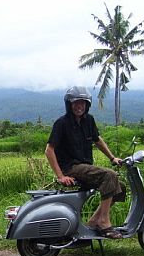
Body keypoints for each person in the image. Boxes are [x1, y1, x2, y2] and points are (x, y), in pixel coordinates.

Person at [44, 86, 125, 239]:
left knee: (120, 187)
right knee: (109, 175)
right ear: (69, 104)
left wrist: (112, 158)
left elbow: (97, 140)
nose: (79, 106)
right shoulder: (61, 123)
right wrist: (60, 176)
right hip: (71, 168)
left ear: (87, 105)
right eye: (75, 103)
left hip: (85, 166)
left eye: (82, 103)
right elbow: (49, 150)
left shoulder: (89, 120)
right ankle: (104, 222)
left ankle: (94, 220)